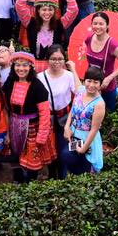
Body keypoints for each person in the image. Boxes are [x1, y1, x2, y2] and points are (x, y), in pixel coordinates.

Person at [4, 51, 54, 183]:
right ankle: (18, 180)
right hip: (13, 126)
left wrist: (42, 135)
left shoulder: (37, 86)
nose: (21, 68)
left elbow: (44, 113)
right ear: (13, 67)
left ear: (31, 67)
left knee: (32, 159)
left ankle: (29, 184)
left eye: (25, 65)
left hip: (32, 128)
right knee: (15, 154)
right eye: (18, 65)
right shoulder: (9, 82)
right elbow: (5, 107)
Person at [37, 45, 79, 179]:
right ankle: (51, 177)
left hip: (65, 118)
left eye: (60, 59)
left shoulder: (69, 76)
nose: (57, 62)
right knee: (49, 150)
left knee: (63, 151)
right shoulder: (40, 77)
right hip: (46, 119)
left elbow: (79, 93)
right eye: (53, 59)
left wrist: (73, 70)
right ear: (47, 60)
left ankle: (63, 178)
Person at [16, 0, 77, 64]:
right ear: (38, 11)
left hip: (55, 66)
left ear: (54, 11)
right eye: (44, 10)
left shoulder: (60, 24)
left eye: (50, 10)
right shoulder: (29, 22)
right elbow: (19, 4)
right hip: (34, 66)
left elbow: (73, 9)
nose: (47, 13)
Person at [62, 66, 106, 175]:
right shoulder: (80, 91)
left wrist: (83, 149)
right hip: (74, 136)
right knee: (67, 159)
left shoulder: (99, 104)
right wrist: (66, 127)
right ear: (84, 81)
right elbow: (73, 110)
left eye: (96, 82)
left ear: (100, 84)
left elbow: (94, 130)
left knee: (84, 170)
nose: (91, 85)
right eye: (89, 81)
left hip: (87, 140)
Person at [83, 12, 118, 112]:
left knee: (108, 112)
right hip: (91, 85)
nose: (97, 27)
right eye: (95, 23)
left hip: (106, 86)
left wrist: (109, 78)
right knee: (91, 112)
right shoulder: (89, 38)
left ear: (107, 25)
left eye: (101, 24)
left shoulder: (112, 44)